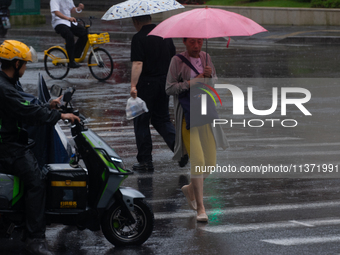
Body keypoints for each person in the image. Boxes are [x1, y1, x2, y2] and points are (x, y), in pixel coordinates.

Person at [0, 40, 80, 255]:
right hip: (7, 147)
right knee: (37, 181)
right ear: (16, 64)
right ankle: (35, 239)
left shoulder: (7, 84)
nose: (25, 68)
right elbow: (26, 111)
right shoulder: (4, 88)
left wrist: (48, 105)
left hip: (11, 142)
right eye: (24, 63)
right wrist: (60, 115)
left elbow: (25, 106)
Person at [166, 38, 228, 222]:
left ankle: (190, 189)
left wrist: (209, 78)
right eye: (192, 42)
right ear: (185, 41)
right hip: (188, 118)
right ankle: (201, 208)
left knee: (210, 163)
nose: (196, 46)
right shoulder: (177, 61)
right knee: (198, 161)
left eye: (200, 42)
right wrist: (193, 82)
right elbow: (169, 88)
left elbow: (214, 84)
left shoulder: (206, 57)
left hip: (206, 115)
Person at [130, 14, 180, 171]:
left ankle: (145, 160)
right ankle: (180, 150)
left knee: (141, 120)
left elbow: (138, 63)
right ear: (150, 19)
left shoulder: (139, 37)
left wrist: (133, 85)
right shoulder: (164, 35)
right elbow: (174, 59)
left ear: (136, 21)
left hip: (146, 84)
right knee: (162, 119)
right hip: (164, 82)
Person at [50, 0, 87, 68]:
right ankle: (71, 62)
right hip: (59, 22)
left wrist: (78, 8)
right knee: (69, 36)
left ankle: (75, 55)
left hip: (69, 22)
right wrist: (68, 18)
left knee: (84, 33)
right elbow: (56, 13)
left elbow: (72, 9)